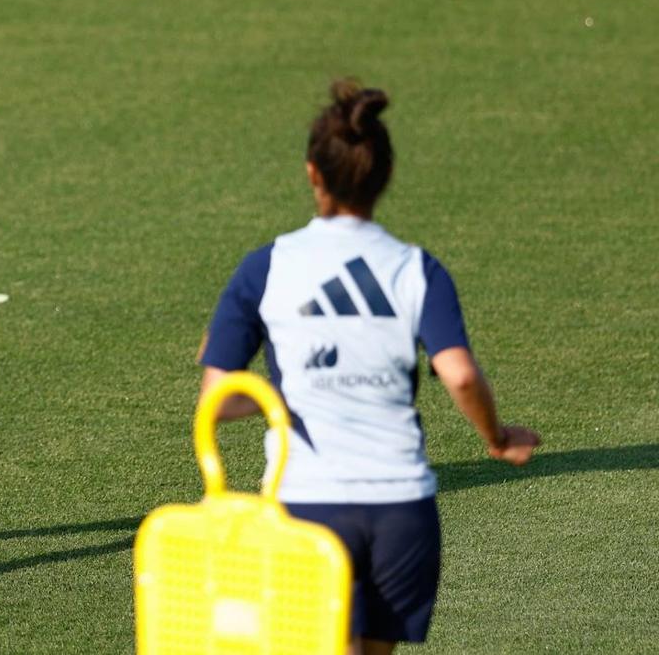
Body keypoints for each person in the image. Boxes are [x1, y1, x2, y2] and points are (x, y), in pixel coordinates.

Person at [198, 80, 540, 653]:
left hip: (307, 501)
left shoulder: (264, 269)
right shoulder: (416, 269)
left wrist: (296, 391)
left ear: (313, 173)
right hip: (401, 508)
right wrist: (498, 437)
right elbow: (457, 373)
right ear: (384, 177)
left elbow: (221, 397)